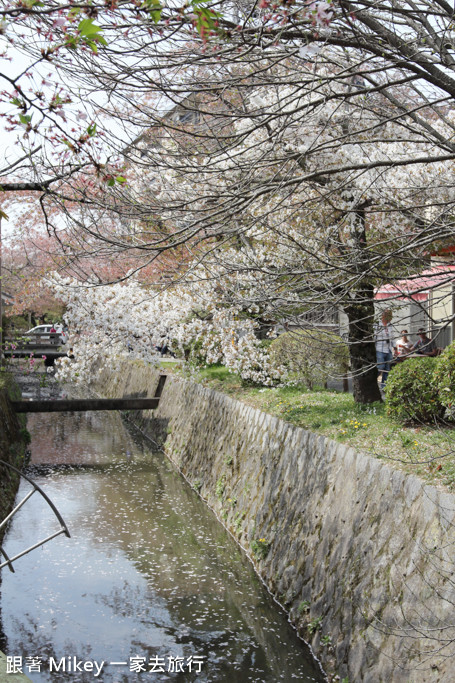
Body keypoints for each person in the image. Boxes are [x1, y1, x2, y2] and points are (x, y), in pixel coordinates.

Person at [374, 310, 393, 389]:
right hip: (380, 349)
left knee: (387, 368)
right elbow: (374, 337)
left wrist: (394, 347)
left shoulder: (390, 325)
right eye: (389, 316)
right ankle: (372, 382)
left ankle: (384, 386)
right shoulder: (377, 325)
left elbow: (392, 337)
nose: (391, 318)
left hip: (388, 349)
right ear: (384, 316)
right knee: (380, 367)